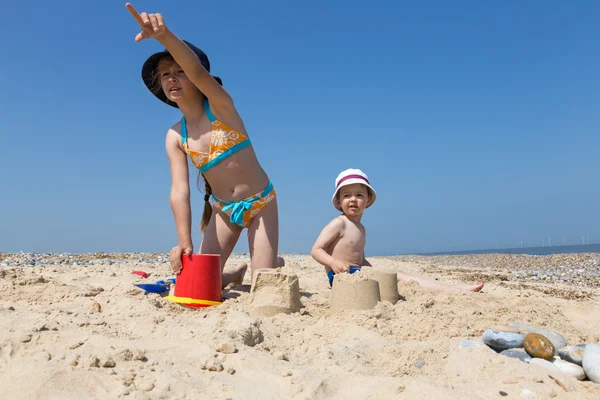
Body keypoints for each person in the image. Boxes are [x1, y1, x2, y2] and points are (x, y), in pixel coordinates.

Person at [126, 4, 280, 287]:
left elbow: (196, 71)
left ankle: (269, 263)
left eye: (178, 70)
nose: (172, 77)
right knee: (196, 286)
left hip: (261, 203)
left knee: (265, 287)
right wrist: (184, 242)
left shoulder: (221, 107)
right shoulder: (175, 136)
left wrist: (164, 36)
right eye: (164, 74)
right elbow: (179, 190)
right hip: (224, 210)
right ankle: (231, 274)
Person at [310, 168, 484, 292]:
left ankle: (453, 288)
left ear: (368, 200)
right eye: (347, 195)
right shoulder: (339, 223)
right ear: (339, 202)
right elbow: (316, 250)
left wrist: (376, 272)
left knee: (395, 276)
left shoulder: (360, 228)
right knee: (400, 276)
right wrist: (333, 263)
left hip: (356, 273)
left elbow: (360, 259)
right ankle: (455, 290)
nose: (353, 199)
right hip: (341, 276)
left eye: (359, 195)